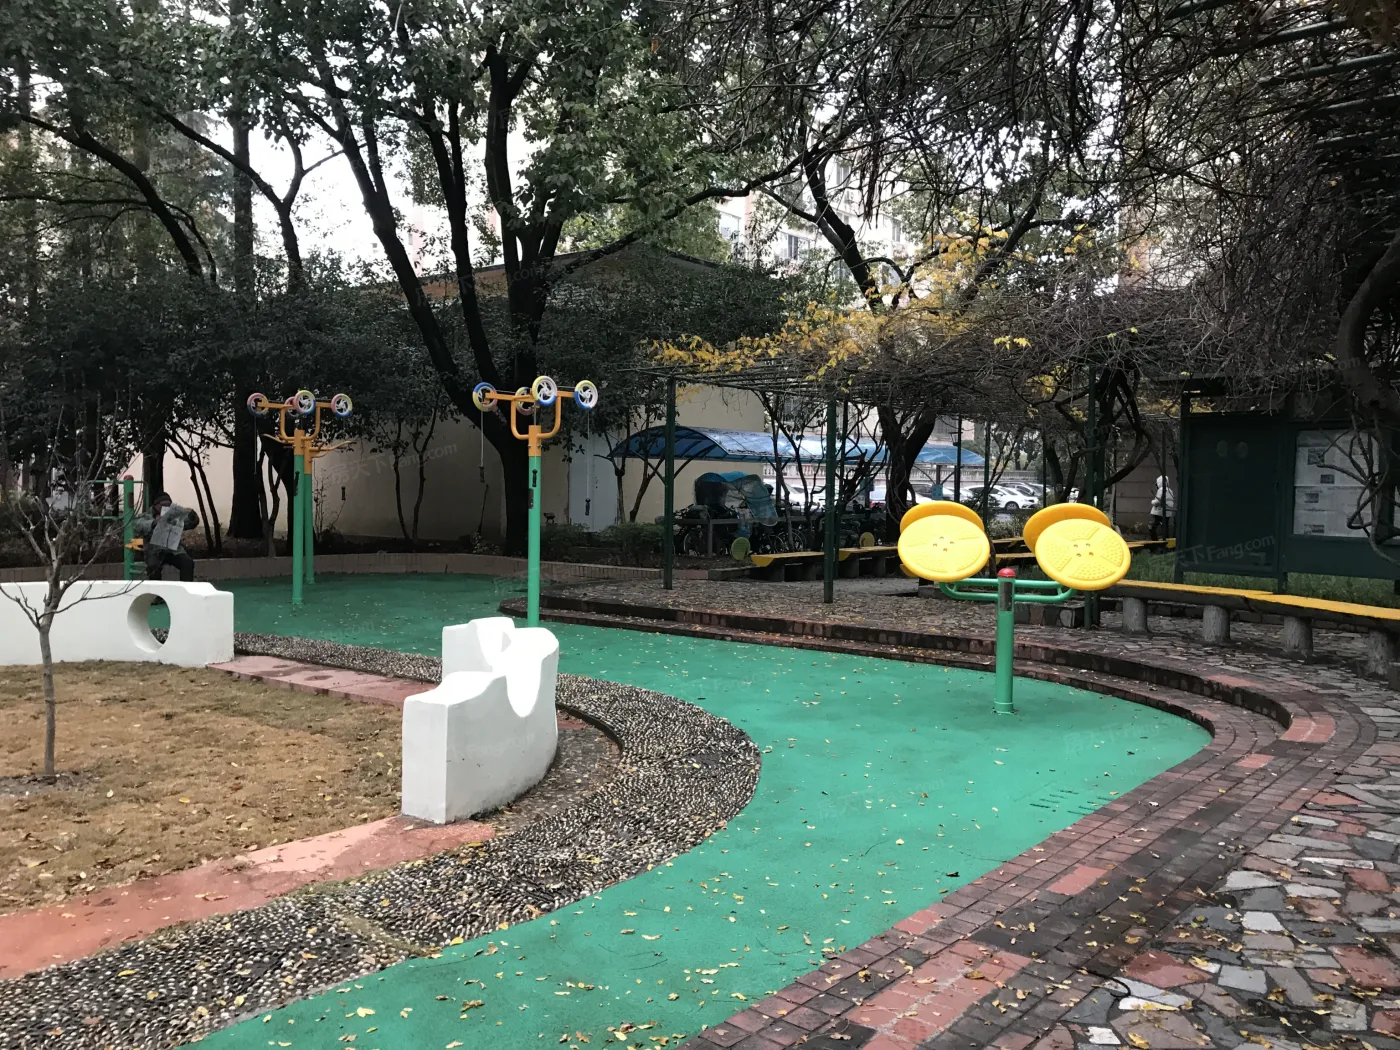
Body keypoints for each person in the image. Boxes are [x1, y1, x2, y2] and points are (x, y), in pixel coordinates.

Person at [133, 492, 200, 581]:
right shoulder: (147, 515)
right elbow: (138, 525)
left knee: (187, 562)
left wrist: (192, 518)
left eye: (168, 505)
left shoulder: (175, 515)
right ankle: (157, 589)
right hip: (154, 550)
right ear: (155, 505)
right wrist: (154, 523)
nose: (166, 508)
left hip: (173, 549)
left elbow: (189, 524)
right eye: (163, 505)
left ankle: (186, 587)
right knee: (153, 567)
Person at [1150, 475, 1176, 540]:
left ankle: (1154, 541)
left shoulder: (1161, 490)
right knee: (1165, 526)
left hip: (1159, 512)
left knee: (1152, 527)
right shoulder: (1170, 491)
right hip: (1168, 512)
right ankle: (1166, 541)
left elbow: (1157, 502)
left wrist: (1152, 502)